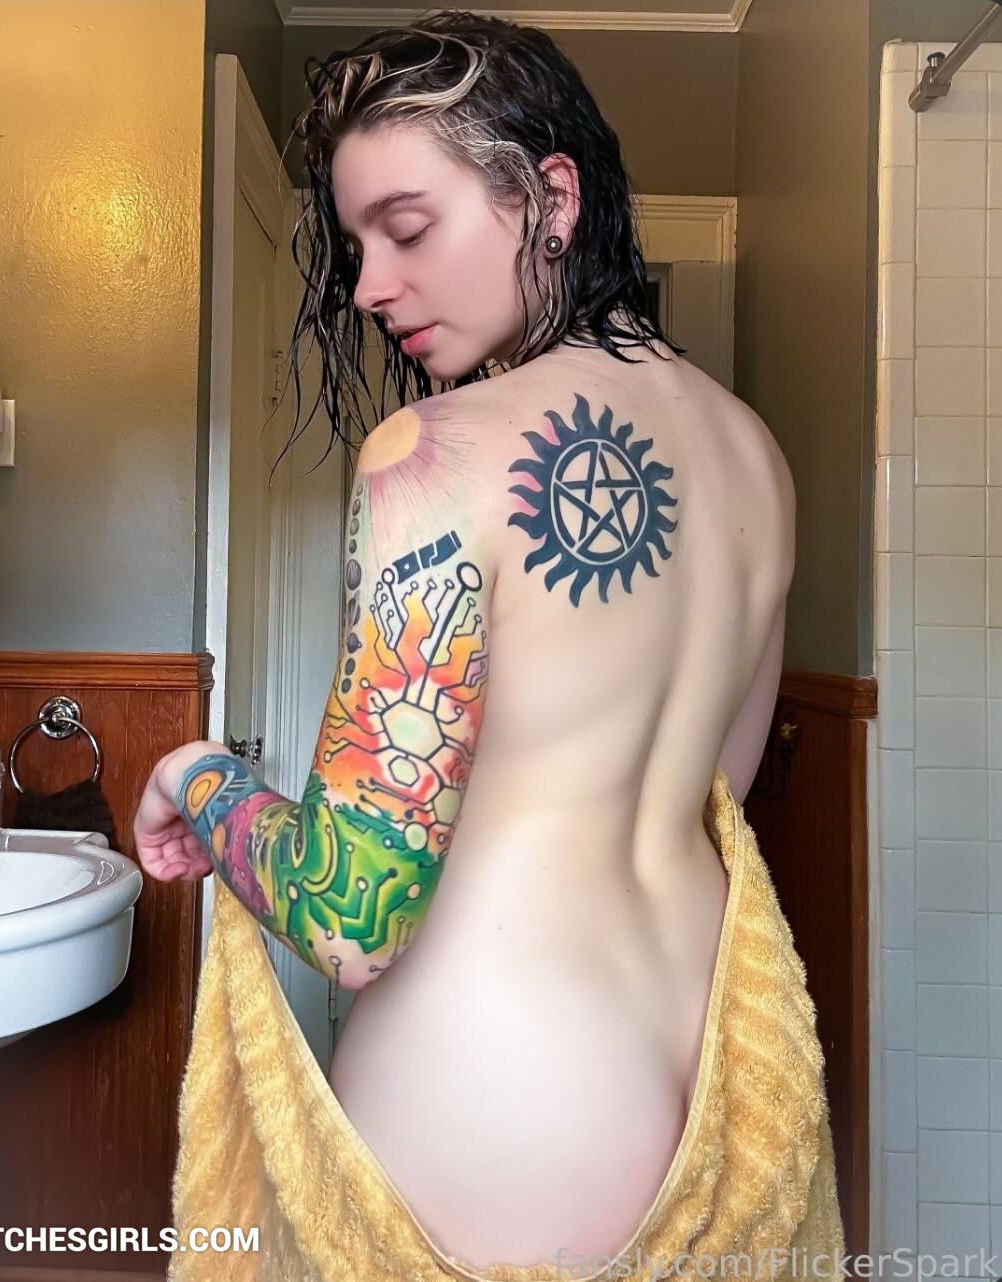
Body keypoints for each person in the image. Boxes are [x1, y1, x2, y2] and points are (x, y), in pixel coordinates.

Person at [135, 12, 841, 1279]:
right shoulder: (754, 455)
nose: (369, 286)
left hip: (491, 1097)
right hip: (709, 1082)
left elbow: (349, 917)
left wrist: (192, 772)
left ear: (548, 199)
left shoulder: (437, 453)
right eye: (357, 244)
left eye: (407, 229)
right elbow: (718, 792)